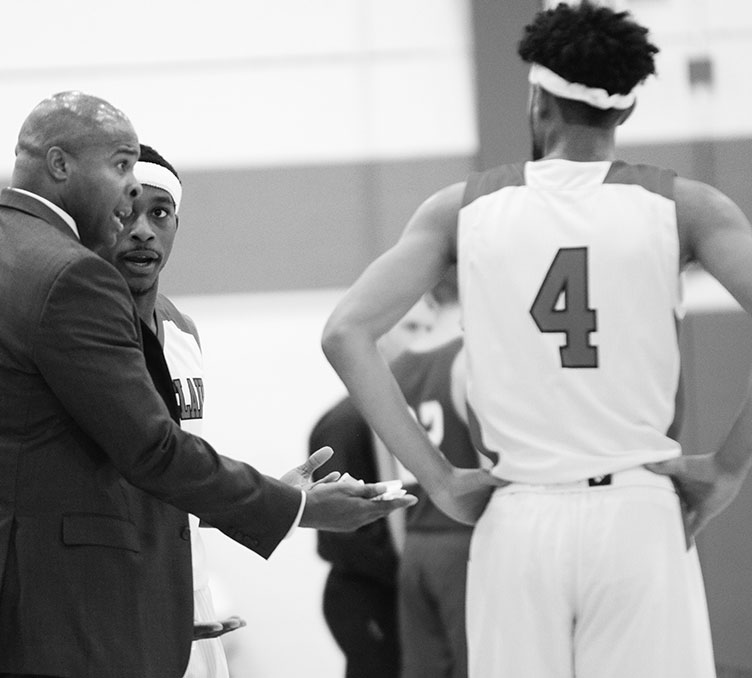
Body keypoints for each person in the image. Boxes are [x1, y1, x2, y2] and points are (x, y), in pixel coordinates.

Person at [0, 90, 413, 678]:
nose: (129, 193)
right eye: (120, 167)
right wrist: (293, 508)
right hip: (51, 620)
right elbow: (152, 450)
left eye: (155, 204)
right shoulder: (73, 275)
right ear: (59, 165)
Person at [322, 3, 752, 677]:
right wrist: (728, 468)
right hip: (639, 513)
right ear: (627, 110)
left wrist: (435, 478)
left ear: (537, 98)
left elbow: (346, 332)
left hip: (517, 514)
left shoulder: (460, 209)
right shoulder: (688, 207)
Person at [95, 143, 240, 678]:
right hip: (107, 596)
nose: (142, 230)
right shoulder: (68, 326)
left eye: (159, 212)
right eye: (125, 211)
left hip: (188, 586)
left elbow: (179, 475)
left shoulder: (181, 330)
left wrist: (280, 495)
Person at [312, 276, 474, 678]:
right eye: (411, 329)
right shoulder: (347, 421)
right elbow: (345, 533)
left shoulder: (405, 394)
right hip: (375, 584)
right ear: (378, 339)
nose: (421, 338)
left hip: (413, 566)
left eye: (424, 326)